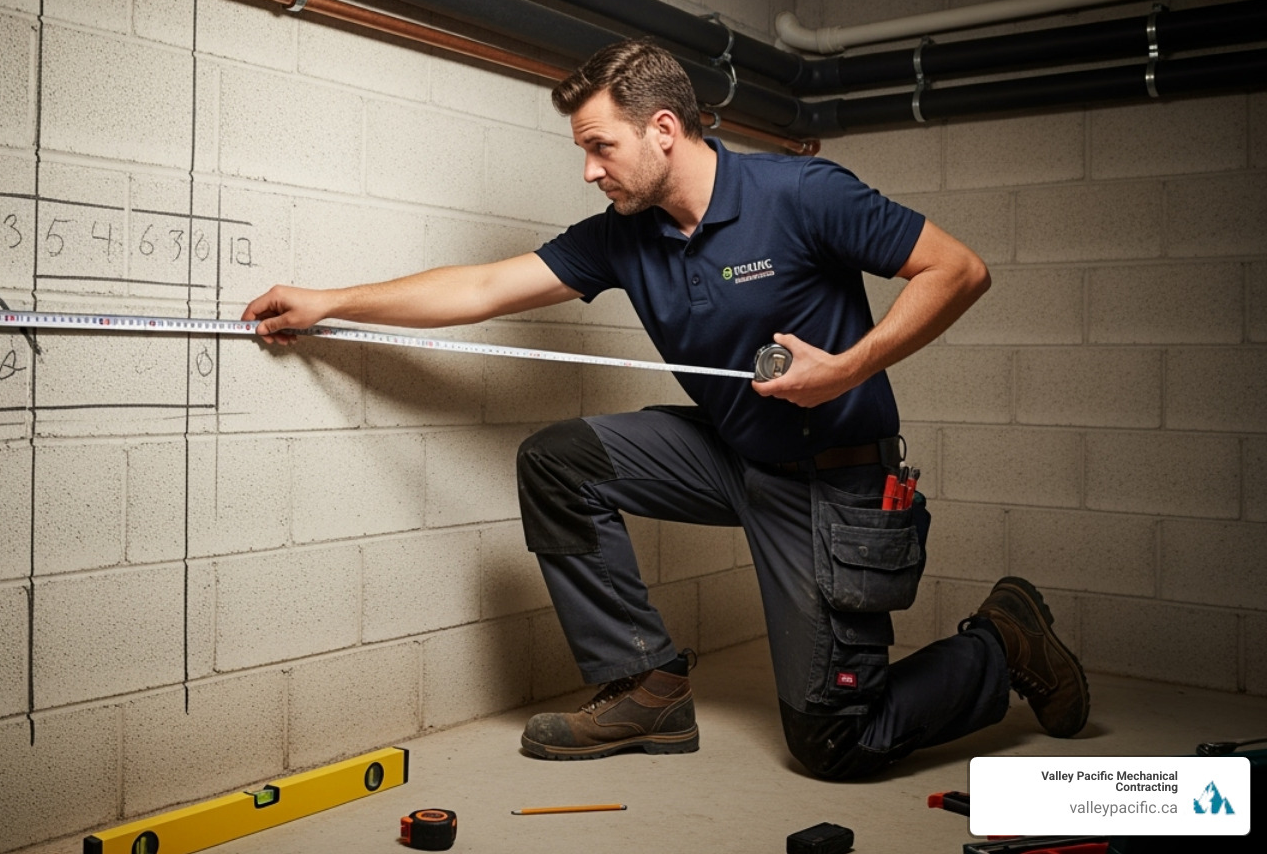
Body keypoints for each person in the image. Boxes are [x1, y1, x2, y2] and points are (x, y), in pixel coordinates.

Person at [242, 39, 1089, 779]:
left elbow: (959, 270)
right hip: (732, 455)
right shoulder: (623, 234)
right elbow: (484, 286)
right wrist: (332, 302)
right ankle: (647, 687)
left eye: (600, 146)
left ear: (664, 130)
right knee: (558, 459)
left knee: (839, 742)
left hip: (832, 483)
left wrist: (846, 370)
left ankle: (1002, 642)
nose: (588, 170)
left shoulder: (800, 195)